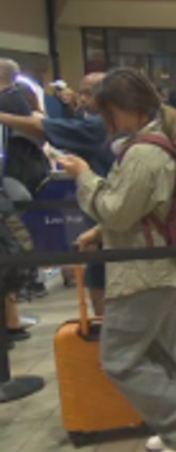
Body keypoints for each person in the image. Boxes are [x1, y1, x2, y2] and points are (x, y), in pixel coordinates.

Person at [60, 68, 176, 452]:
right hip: (163, 264)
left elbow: (118, 209)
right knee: (162, 352)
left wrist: (84, 178)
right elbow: (139, 207)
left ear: (118, 109)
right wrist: (100, 228)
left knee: (119, 355)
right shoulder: (160, 142)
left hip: (145, 270)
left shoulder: (143, 152)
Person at [0, 73, 112, 314]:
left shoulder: (99, 124)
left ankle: (108, 335)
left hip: (108, 213)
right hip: (104, 212)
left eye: (86, 93)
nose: (80, 98)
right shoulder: (100, 123)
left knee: (101, 275)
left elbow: (42, 128)